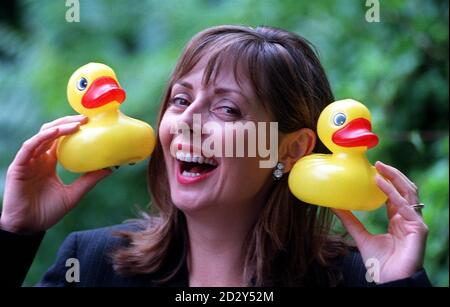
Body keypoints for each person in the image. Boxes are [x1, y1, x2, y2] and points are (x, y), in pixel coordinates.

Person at [0, 25, 431, 287]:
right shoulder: (92, 265)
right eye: (180, 99)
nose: (186, 122)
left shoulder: (358, 279)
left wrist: (399, 283)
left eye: (227, 109)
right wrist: (15, 233)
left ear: (291, 149)